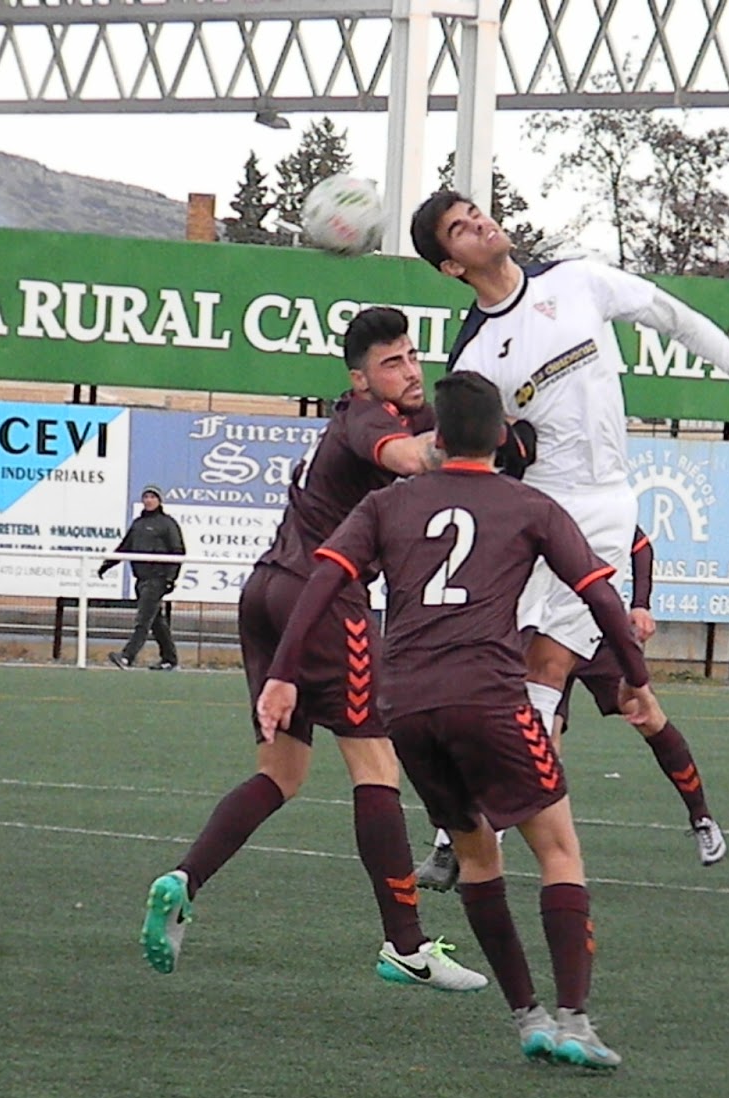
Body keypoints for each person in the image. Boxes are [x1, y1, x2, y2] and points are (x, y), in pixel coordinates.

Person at [258, 371, 665, 1068]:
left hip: (409, 709)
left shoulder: (389, 505)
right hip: (490, 699)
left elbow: (325, 578)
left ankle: (527, 1017)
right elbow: (599, 595)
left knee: (478, 856)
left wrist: (282, 672)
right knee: (559, 850)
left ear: (438, 439)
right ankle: (574, 1021)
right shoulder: (530, 506)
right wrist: (637, 679)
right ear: (504, 438)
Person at [406, 191, 729, 882]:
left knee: (546, 672)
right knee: (489, 671)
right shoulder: (477, 352)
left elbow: (670, 314)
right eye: (459, 228)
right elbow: (463, 450)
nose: (480, 222)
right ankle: (458, 827)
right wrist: (502, 446)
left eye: (475, 212)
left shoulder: (576, 279)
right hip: (532, 515)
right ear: (451, 266)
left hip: (607, 510)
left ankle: (488, 833)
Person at [139, 306, 487, 993]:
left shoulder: (370, 412)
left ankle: (184, 880)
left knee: (283, 774)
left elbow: (421, 429)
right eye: (392, 363)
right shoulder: (368, 420)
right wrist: (474, 446)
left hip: (267, 591)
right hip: (324, 600)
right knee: (376, 764)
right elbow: (410, 454)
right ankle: (406, 945)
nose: (411, 369)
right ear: (360, 379)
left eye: (413, 355)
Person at [416, 525, 726, 892]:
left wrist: (641, 603)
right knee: (534, 740)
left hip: (593, 630)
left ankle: (701, 818)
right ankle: (466, 845)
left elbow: (639, 543)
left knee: (648, 716)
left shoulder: (593, 503)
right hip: (544, 636)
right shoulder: (531, 503)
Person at [101, 485, 186, 670]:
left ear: (159, 500)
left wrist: (171, 578)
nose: (148, 500)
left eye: (152, 496)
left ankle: (126, 656)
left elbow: (178, 551)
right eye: (145, 496)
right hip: (141, 579)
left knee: (143, 619)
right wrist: (107, 565)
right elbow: (125, 547)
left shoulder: (167, 523)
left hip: (158, 578)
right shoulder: (138, 524)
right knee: (157, 622)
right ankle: (169, 660)